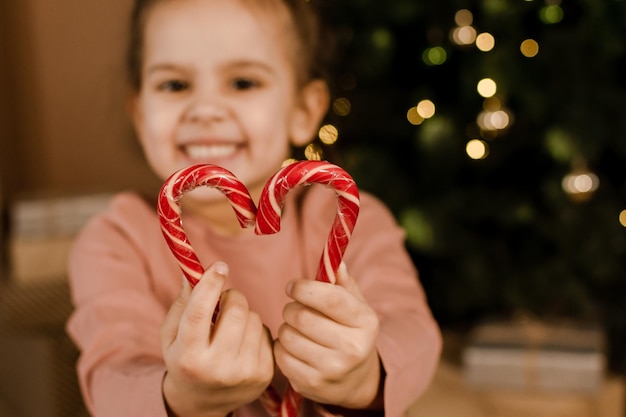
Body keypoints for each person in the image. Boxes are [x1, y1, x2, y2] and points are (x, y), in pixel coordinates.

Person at [66, 0, 442, 416]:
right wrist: (182, 398)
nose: (206, 110)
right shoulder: (116, 240)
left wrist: (364, 376)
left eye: (243, 82)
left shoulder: (348, 217)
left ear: (303, 111)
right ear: (139, 114)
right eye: (174, 85)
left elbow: (413, 330)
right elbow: (110, 376)